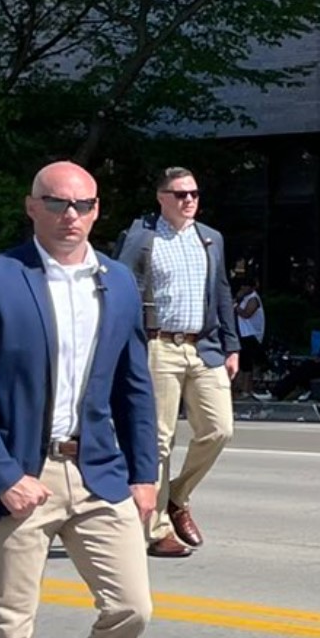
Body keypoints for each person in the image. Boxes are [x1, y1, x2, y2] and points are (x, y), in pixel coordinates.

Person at [0, 161, 160, 638]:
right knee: (8, 634)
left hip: (100, 471)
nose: (69, 215)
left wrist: (144, 473)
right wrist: (1, 475)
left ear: (98, 210)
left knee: (132, 608)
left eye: (81, 204)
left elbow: (134, 382)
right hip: (22, 476)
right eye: (55, 203)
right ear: (32, 207)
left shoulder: (119, 282)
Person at [115, 166, 238, 559]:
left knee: (219, 429)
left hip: (204, 347)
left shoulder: (210, 239)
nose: (189, 201)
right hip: (158, 346)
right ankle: (156, 531)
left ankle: (178, 495)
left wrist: (232, 346)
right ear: (161, 197)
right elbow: (122, 290)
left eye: (195, 194)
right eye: (180, 194)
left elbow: (221, 293)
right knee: (158, 440)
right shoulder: (142, 238)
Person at [233, 278, 265, 399]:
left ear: (251, 288)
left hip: (251, 335)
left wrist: (236, 307)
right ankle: (240, 387)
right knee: (242, 362)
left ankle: (246, 389)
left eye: (245, 287)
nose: (242, 289)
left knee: (247, 363)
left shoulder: (253, 299)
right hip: (243, 333)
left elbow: (246, 314)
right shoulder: (244, 298)